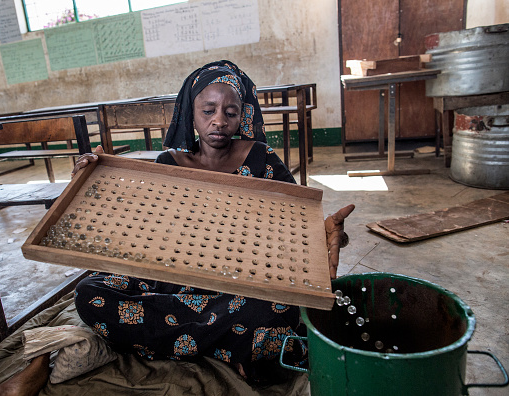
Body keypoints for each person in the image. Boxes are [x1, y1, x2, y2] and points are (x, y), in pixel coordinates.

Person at [71, 60, 355, 384]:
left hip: (244, 282)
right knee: (90, 292)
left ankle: (186, 339)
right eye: (208, 111)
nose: (219, 121)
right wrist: (90, 185)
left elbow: (298, 228)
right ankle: (230, 343)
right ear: (190, 114)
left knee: (279, 308)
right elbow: (130, 226)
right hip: (176, 281)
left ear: (242, 115)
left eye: (230, 113)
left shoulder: (262, 160)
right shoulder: (169, 164)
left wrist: (325, 233)